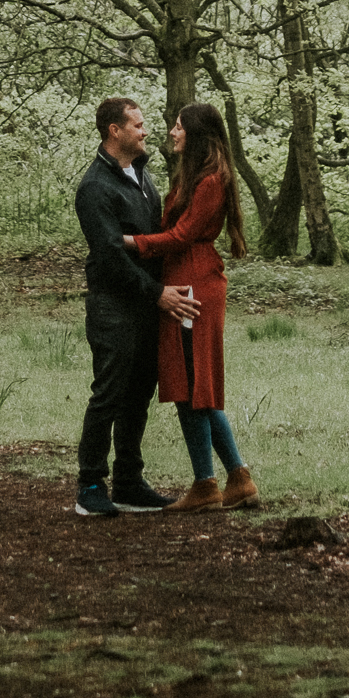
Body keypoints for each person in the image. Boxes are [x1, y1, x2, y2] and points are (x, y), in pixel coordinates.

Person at [124, 101, 260, 511]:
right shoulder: (196, 177)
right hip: (186, 279)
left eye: (179, 126)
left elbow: (182, 235)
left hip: (193, 285)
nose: (172, 132)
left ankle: (206, 485)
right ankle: (237, 479)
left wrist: (130, 243)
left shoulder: (211, 182)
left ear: (197, 134)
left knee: (193, 386)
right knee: (195, 385)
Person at [73, 94, 201, 518]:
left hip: (148, 303)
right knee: (109, 393)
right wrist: (156, 293)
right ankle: (90, 485)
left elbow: (158, 240)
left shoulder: (143, 178)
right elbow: (110, 256)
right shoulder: (95, 187)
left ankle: (128, 481)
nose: (147, 132)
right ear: (115, 131)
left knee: (139, 394)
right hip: (113, 306)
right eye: (138, 125)